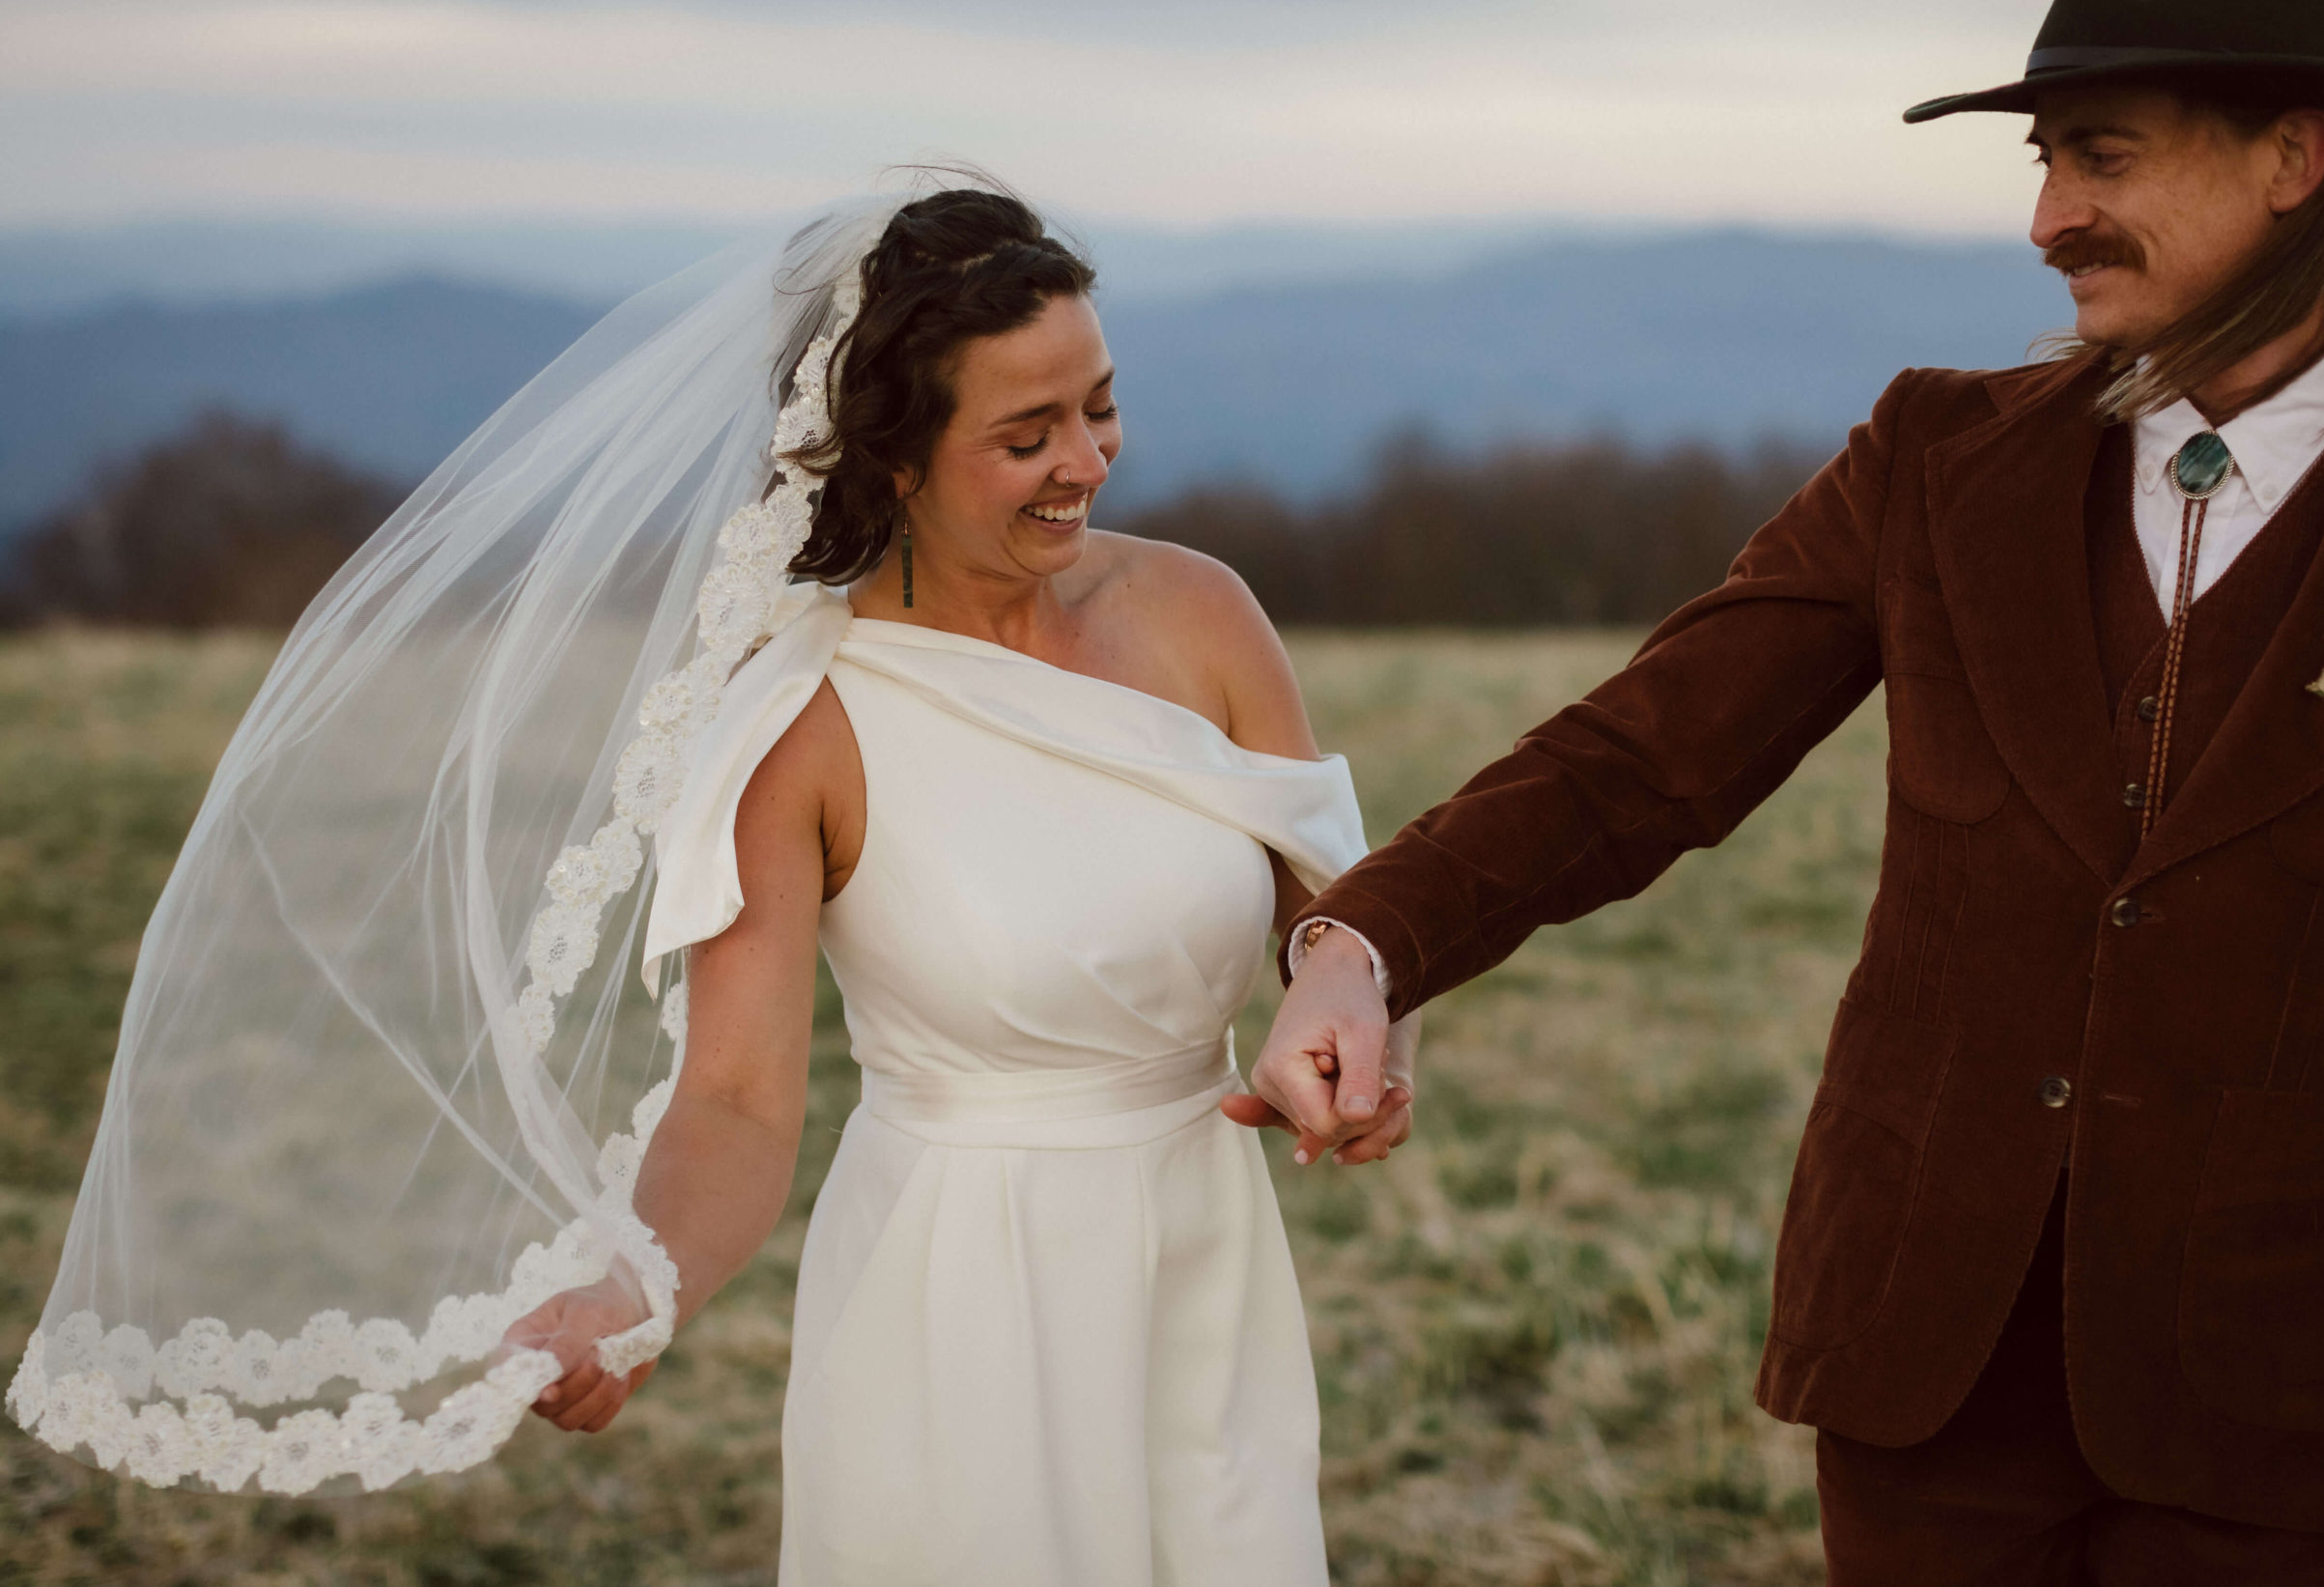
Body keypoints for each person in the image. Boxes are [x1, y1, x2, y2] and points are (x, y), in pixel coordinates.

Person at [1236, 0, 2324, 1580]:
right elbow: (1639, 757)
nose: (2046, 221)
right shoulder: (1936, 463)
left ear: (2295, 159)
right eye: (2045, 163)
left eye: (2101, 156)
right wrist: (1363, 948)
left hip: (2267, 1395)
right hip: (1921, 1356)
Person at [7, 183, 1405, 1584]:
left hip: (1206, 1265)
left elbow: (1340, 919)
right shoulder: (803, 721)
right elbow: (736, 1099)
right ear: (893, 456)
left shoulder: (1204, 612)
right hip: (964, 1288)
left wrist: (1355, 1023)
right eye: (1024, 435)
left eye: (1099, 406)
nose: (1087, 461)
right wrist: (636, 1284)